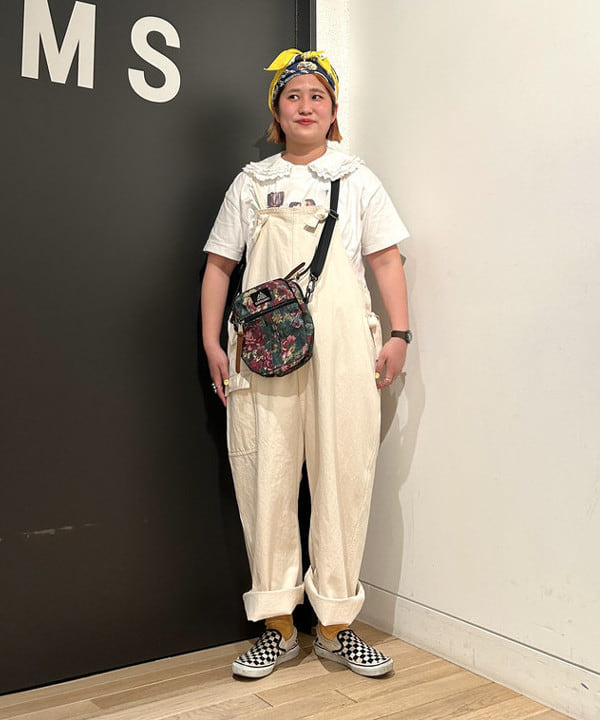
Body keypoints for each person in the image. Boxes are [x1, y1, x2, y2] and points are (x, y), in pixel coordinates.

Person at [201, 49, 411, 679]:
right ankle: (278, 626)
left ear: (333, 109)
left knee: (344, 472)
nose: (305, 106)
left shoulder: (357, 178)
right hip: (263, 346)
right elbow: (220, 265)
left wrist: (400, 332)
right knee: (264, 472)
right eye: (293, 96)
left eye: (317, 95)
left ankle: (338, 626)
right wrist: (212, 342)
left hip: (344, 344)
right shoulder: (251, 182)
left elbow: (385, 259)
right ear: (277, 111)